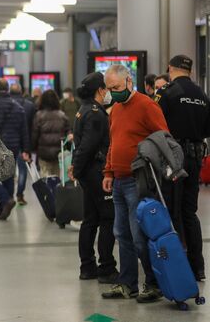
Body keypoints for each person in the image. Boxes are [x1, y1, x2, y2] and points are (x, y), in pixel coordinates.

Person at [101, 64, 168, 302]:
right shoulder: (116, 110)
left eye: (116, 87)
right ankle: (127, 283)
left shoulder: (147, 106)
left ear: (129, 81)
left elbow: (163, 139)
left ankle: (153, 283)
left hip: (139, 180)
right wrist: (108, 172)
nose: (113, 92)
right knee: (122, 233)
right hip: (118, 180)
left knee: (140, 235)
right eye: (109, 88)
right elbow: (113, 143)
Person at [156, 55, 210, 281]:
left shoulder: (167, 92)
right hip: (196, 157)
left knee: (172, 210)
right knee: (190, 211)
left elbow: (154, 122)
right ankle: (197, 266)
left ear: (170, 68)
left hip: (173, 158)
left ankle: (177, 267)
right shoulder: (202, 95)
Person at [70, 72, 118, 283]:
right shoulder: (97, 114)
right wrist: (78, 169)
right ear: (100, 90)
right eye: (107, 88)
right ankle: (107, 267)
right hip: (96, 172)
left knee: (90, 220)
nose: (108, 92)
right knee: (108, 218)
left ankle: (87, 266)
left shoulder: (83, 110)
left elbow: (79, 146)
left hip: (87, 173)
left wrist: (76, 168)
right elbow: (88, 146)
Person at [0, 79, 30, 220]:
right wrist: (26, 149)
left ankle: (5, 201)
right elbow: (24, 130)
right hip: (13, 147)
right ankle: (3, 209)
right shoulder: (17, 106)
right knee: (8, 177)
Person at [31, 90, 70, 178]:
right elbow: (68, 133)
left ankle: (47, 192)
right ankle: (55, 191)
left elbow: (34, 135)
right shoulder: (62, 115)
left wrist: (33, 149)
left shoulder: (39, 115)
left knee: (45, 178)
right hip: (58, 153)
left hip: (43, 153)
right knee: (56, 177)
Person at [8, 83, 35, 206]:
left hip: (7, 143)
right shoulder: (29, 106)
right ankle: (20, 195)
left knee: (9, 171)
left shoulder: (5, 105)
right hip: (23, 143)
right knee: (23, 170)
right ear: (22, 91)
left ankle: (9, 196)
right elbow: (32, 128)